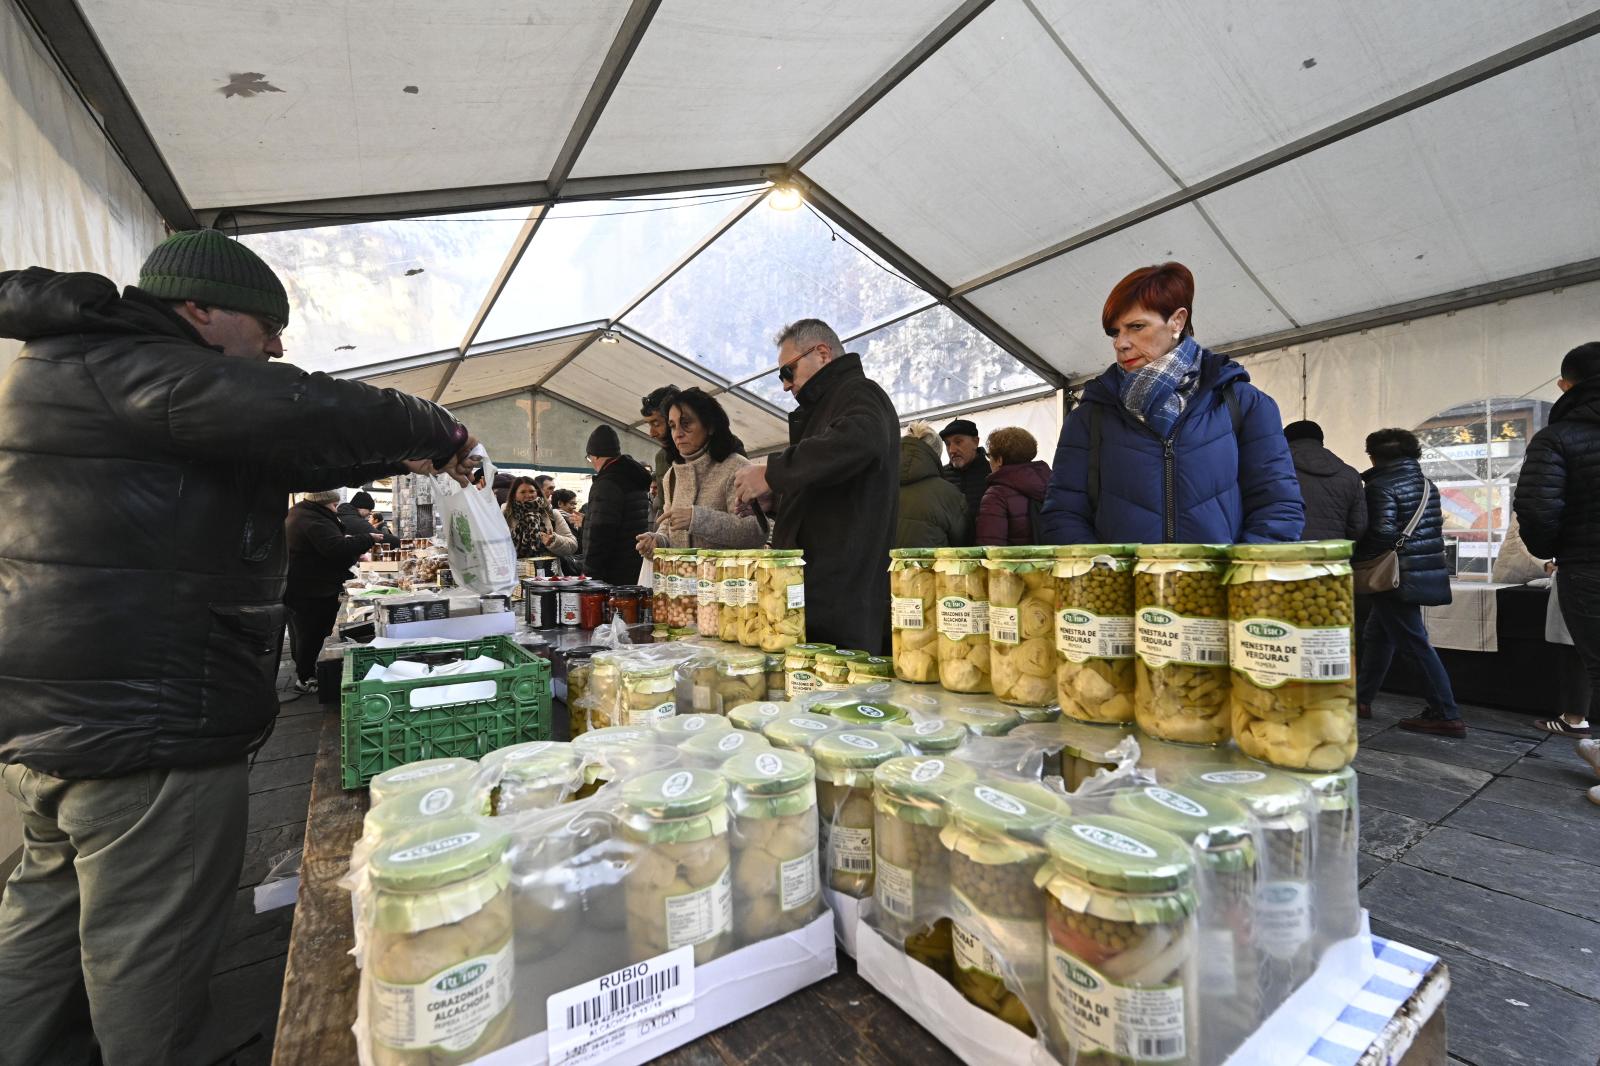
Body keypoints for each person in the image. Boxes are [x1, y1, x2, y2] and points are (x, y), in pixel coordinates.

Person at [0, 229, 477, 1066]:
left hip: (64, 718)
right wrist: (435, 425)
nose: (278, 349)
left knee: (45, 926)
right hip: (145, 727)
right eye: (268, 329)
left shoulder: (82, 365)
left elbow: (286, 446)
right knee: (148, 954)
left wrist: (399, 451)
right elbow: (306, 409)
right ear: (200, 310)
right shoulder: (142, 369)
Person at [1041, 262, 1304, 544]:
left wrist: (1235, 571)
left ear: (1177, 321)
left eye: (1136, 327)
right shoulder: (1090, 416)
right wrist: (1105, 569)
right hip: (1119, 575)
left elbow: (1278, 507)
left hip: (1222, 574)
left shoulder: (1242, 403)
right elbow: (1063, 514)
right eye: (1115, 332)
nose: (1121, 343)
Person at [732, 319, 899, 652]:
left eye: (788, 371)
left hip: (840, 600)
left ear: (822, 353)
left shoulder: (860, 393)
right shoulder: (830, 405)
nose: (785, 385)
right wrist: (777, 501)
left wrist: (772, 472)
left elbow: (860, 441)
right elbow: (832, 486)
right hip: (823, 594)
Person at [1516, 342, 1600, 749]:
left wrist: (1553, 553)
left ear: (1565, 386)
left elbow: (1537, 509)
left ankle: (1576, 721)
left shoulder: (1558, 437)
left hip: (1588, 563)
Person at [1354, 428, 1461, 735]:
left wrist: (1359, 558)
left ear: (1374, 457)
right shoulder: (1426, 485)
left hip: (1394, 575)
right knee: (1378, 636)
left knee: (1414, 643)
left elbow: (1381, 532)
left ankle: (1446, 713)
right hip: (1418, 571)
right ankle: (1361, 700)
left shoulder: (1380, 486)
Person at [636, 387, 765, 554]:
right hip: (682, 572)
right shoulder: (672, 475)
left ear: (710, 426)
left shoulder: (737, 467)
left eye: (686, 424)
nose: (677, 434)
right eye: (673, 426)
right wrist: (658, 541)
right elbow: (669, 525)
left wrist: (697, 519)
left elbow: (756, 532)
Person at [284, 489, 374, 694]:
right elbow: (335, 548)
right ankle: (306, 677)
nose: (336, 509)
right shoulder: (312, 518)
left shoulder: (301, 513)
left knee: (303, 632)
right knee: (310, 633)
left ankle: (305, 673)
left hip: (303, 585)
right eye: (334, 505)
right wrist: (367, 539)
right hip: (310, 588)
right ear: (323, 502)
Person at [581, 425, 652, 585]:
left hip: (611, 573)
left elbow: (602, 531)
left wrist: (590, 575)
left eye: (589, 458)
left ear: (595, 456)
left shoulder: (607, 483)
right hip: (633, 565)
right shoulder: (633, 478)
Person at [1284, 420, 1368, 542]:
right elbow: (1358, 526)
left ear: (1285, 441)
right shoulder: (1350, 475)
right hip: (1332, 551)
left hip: (1282, 550)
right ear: (1321, 441)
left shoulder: (1272, 470)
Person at [895, 421, 967, 548]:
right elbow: (964, 546)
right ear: (936, 455)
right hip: (931, 561)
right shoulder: (950, 495)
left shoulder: (879, 488)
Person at [977, 426, 1052, 546]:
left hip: (1019, 559)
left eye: (989, 456)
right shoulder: (1051, 483)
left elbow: (991, 548)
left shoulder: (996, 495)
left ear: (999, 460)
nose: (989, 461)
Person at [504, 475, 577, 559]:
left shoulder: (552, 513)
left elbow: (573, 546)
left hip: (547, 566)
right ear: (514, 494)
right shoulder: (506, 515)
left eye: (532, 491)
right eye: (523, 492)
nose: (528, 495)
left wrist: (553, 540)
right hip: (514, 566)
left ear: (537, 492)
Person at [940, 418, 988, 544]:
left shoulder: (991, 473)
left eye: (958, 442)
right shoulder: (941, 476)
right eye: (948, 444)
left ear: (975, 442)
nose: (952, 450)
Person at [641, 385, 680, 526]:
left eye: (656, 423)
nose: (651, 433)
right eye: (649, 424)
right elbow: (665, 509)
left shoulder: (721, 451)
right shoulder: (661, 458)